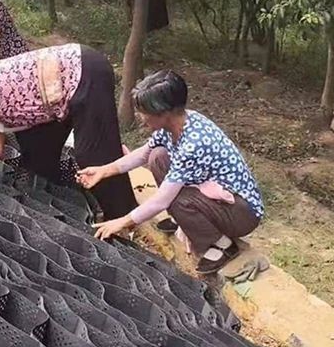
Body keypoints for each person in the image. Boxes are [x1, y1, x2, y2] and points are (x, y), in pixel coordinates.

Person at [76, 70, 264, 275]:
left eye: (144, 112)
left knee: (177, 199)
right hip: (217, 196)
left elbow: (160, 202)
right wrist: (103, 171)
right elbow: (143, 154)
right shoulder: (176, 124)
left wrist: (122, 222)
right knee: (157, 156)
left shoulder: (193, 143)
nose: (141, 118)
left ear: (164, 113)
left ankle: (221, 245)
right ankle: (185, 220)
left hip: (241, 212)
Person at [0, 43, 138, 220]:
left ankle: (122, 216)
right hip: (54, 102)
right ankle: (57, 195)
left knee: (93, 155)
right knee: (36, 153)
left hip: (82, 73)